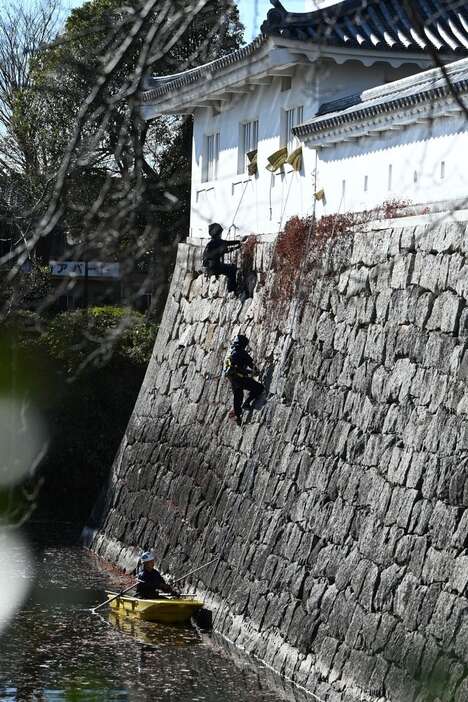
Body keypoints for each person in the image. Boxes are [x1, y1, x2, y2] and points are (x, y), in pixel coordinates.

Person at [223, 334, 264, 425]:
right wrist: (256, 372)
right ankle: (247, 402)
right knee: (259, 388)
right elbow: (253, 367)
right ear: (243, 344)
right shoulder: (242, 353)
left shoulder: (230, 352)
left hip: (232, 378)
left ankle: (237, 416)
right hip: (240, 379)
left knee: (238, 396)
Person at [202, 222, 247, 294]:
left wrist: (239, 242)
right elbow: (226, 249)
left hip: (209, 268)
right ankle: (232, 290)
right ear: (218, 233)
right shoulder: (218, 242)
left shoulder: (211, 243)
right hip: (215, 268)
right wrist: (238, 246)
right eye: (220, 233)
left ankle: (231, 289)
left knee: (228, 267)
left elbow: (227, 243)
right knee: (232, 268)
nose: (221, 234)